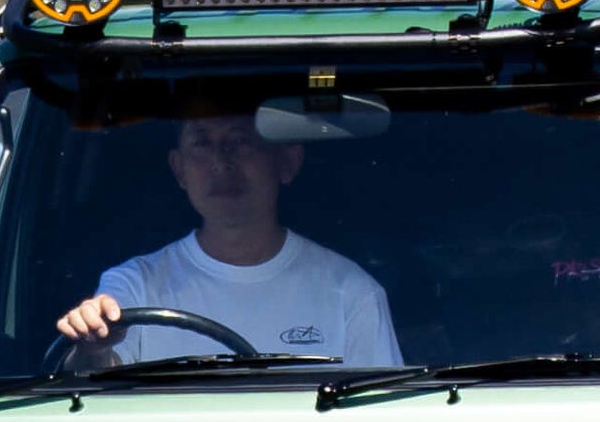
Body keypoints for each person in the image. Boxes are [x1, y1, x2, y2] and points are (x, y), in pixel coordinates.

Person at [54, 110, 402, 368]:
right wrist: (92, 347)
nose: (221, 162)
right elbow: (91, 393)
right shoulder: (131, 287)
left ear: (287, 162)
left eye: (239, 141)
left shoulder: (351, 293)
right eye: (202, 144)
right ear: (179, 170)